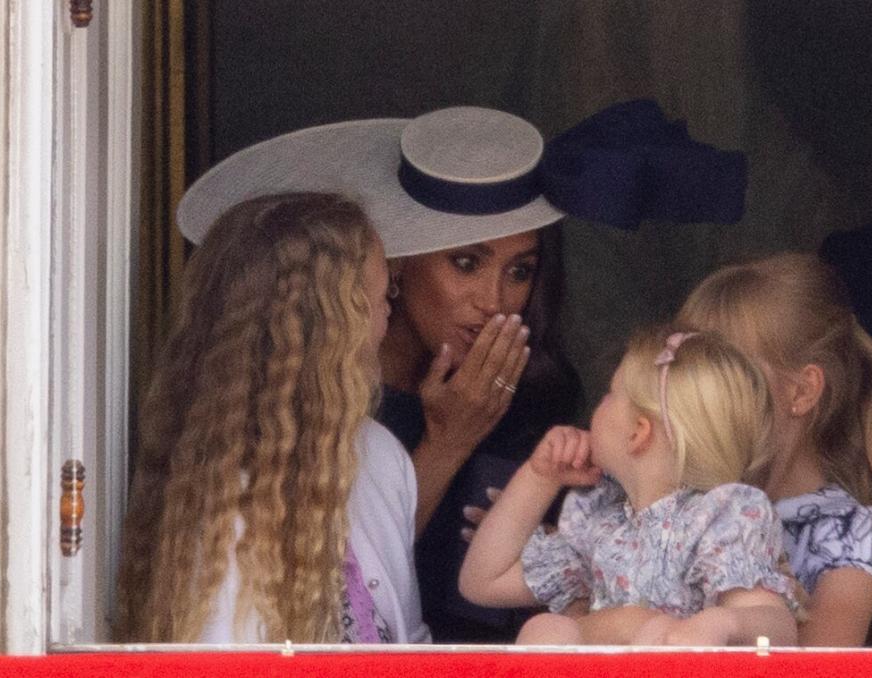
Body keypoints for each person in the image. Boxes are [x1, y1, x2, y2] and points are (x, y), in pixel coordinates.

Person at [170, 101, 750, 642]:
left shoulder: (544, 396)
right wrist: (449, 441)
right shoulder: (324, 397)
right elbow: (343, 581)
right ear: (395, 268)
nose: (495, 299)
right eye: (466, 263)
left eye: (520, 271)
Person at [115, 192, 429, 643]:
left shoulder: (380, 455)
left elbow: (411, 646)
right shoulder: (220, 501)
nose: (387, 317)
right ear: (332, 329)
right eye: (377, 299)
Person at [459, 329, 799, 646]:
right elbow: (482, 582)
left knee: (653, 631)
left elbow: (778, 628)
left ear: (638, 433)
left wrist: (724, 624)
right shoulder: (603, 522)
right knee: (543, 630)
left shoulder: (719, 518)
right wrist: (539, 477)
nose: (597, 405)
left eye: (609, 395)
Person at [676, 252, 872, 647]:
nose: (700, 398)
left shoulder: (845, 536)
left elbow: (816, 665)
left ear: (801, 391)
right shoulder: (686, 503)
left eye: (725, 378)